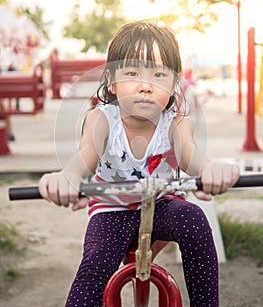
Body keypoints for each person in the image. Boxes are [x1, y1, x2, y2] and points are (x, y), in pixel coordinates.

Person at [39, 20, 240, 307]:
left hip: (161, 204)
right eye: (132, 73)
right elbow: (85, 155)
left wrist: (210, 170)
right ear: (111, 80)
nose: (146, 86)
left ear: (174, 84)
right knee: (95, 267)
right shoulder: (102, 119)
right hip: (112, 208)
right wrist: (68, 176)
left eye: (159, 75)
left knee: (194, 219)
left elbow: (191, 156)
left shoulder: (176, 122)